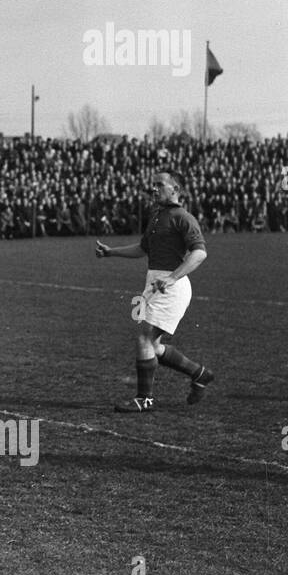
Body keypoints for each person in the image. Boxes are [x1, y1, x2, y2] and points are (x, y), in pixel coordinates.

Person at [96, 171, 214, 412]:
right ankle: (199, 373)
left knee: (144, 338)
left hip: (171, 287)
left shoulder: (183, 217)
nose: (154, 189)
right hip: (154, 284)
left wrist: (172, 278)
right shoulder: (157, 216)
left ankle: (144, 399)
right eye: (153, 185)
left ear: (176, 189)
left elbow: (199, 253)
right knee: (153, 345)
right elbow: (142, 248)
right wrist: (111, 252)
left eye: (160, 184)